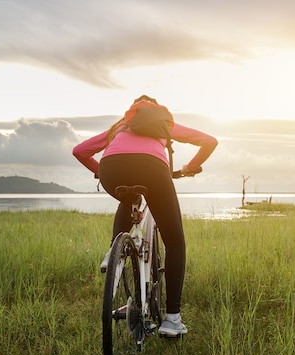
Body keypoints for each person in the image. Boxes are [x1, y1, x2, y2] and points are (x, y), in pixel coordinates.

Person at [73, 95, 218, 337]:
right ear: (157, 110)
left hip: (111, 168)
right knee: (174, 242)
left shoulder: (120, 126)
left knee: (128, 198)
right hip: (153, 169)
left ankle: (113, 254)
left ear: (132, 111)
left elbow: (79, 151)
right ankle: (172, 319)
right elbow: (209, 141)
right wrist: (190, 167)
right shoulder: (164, 124)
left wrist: (101, 171)